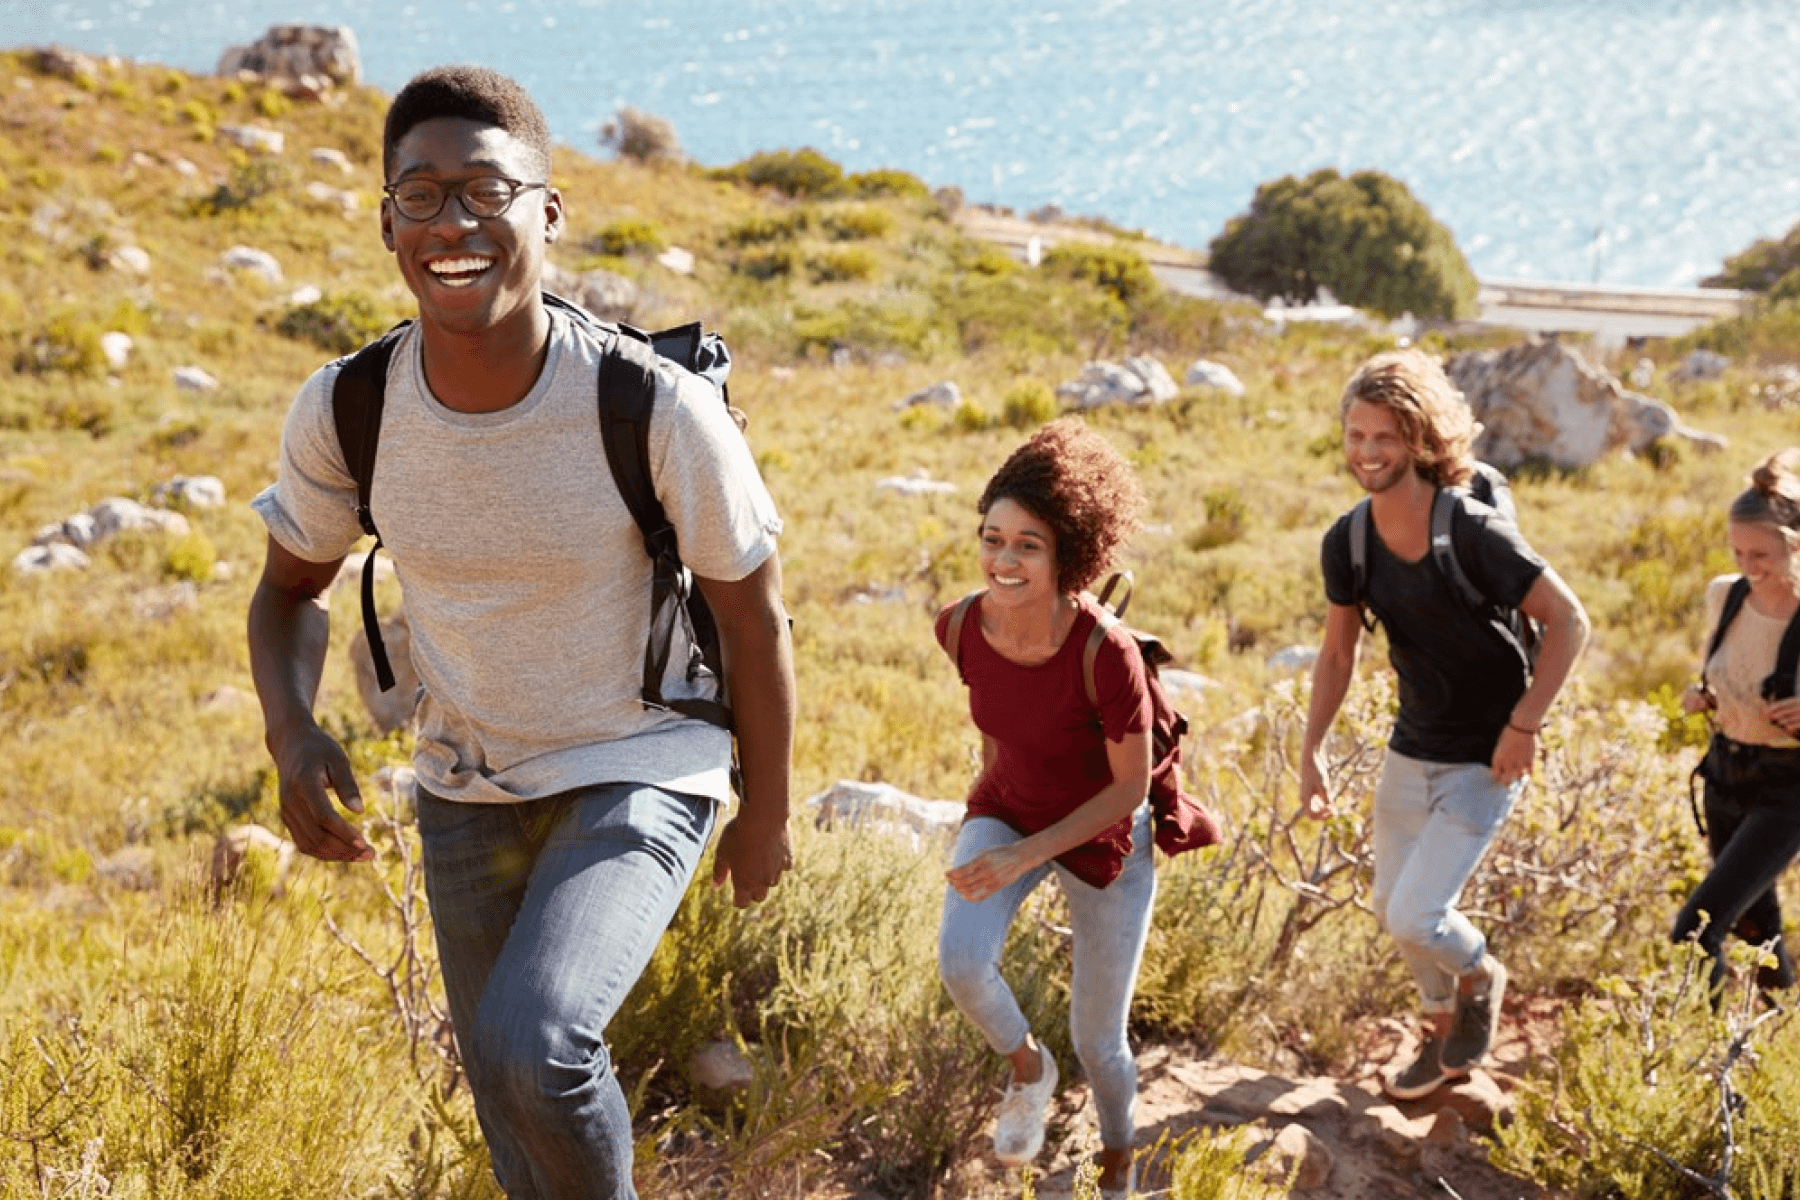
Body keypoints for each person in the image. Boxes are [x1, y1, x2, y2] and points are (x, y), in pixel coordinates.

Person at [245, 66, 794, 1200]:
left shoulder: (650, 406)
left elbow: (753, 614)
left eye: (487, 191)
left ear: (547, 211)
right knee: (506, 1109)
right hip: (465, 782)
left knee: (535, 1050)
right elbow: (288, 592)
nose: (454, 223)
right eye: (422, 194)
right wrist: (292, 733)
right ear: (387, 218)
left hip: (639, 759)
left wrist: (769, 818)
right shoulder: (348, 409)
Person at [1298, 349, 1589, 1100]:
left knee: (1418, 915)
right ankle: (1440, 1039)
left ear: (1422, 440)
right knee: (1392, 912)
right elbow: (1336, 655)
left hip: (1485, 759)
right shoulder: (1350, 541)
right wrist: (1312, 751)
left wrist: (1524, 726)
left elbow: (1569, 621)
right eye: (1356, 435)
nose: (1366, 452)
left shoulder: (1472, 530)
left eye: (1384, 438)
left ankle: (1481, 974)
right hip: (1410, 749)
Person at [934, 418, 1153, 1199]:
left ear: (1070, 555)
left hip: (1106, 838)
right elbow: (1004, 732)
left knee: (1101, 1041)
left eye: (1029, 544)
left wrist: (1025, 856)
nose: (1004, 559)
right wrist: (992, 827)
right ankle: (1030, 1070)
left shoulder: (1106, 652)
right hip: (1007, 811)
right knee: (961, 961)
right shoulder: (958, 626)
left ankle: (1118, 1164)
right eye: (993, 538)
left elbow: (1130, 788)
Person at [1674, 450, 1800, 999]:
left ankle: (1710, 1071)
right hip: (1725, 776)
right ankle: (1782, 1045)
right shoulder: (1723, 595)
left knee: (1695, 928)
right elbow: (1720, 670)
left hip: (1787, 788)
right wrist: (1701, 696)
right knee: (1757, 927)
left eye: (1763, 554)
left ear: (1796, 545)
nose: (1749, 564)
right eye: (1739, 551)